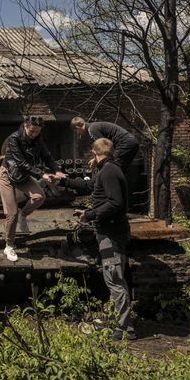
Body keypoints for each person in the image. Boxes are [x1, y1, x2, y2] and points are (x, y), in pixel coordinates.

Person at [62, 138, 135, 341]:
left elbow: (115, 203)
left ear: (94, 152)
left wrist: (90, 214)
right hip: (109, 231)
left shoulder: (109, 172)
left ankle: (124, 329)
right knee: (114, 278)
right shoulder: (107, 170)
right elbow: (88, 186)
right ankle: (122, 323)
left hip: (112, 234)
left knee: (114, 279)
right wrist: (63, 180)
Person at [0, 116, 66, 262]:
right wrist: (42, 174)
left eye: (37, 131)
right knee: (11, 213)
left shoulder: (38, 140)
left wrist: (57, 170)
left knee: (39, 197)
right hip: (7, 175)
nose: (34, 134)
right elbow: (21, 162)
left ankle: (23, 215)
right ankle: (9, 246)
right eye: (32, 131)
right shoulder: (14, 139)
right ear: (25, 126)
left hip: (23, 176)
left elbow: (47, 157)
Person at [70, 117, 140, 172]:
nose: (78, 133)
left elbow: (103, 148)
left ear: (77, 128)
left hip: (124, 143)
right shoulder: (94, 126)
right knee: (120, 169)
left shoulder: (92, 129)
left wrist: (95, 160)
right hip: (132, 142)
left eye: (76, 131)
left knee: (111, 167)